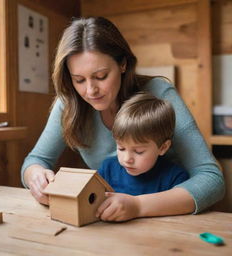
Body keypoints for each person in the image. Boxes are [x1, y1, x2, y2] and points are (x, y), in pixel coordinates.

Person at [21, 16, 224, 221]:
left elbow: (211, 179)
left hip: (169, 220)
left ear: (123, 64)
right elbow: (35, 160)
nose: (91, 90)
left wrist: (137, 205)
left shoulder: (159, 94)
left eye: (101, 76)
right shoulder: (69, 103)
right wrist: (35, 176)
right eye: (79, 80)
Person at [96, 92, 189, 221]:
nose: (127, 159)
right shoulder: (107, 169)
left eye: (139, 151)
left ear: (163, 148)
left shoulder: (175, 178)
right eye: (121, 148)